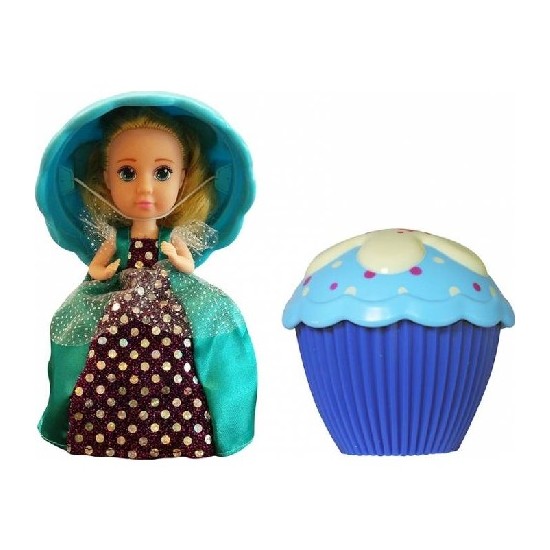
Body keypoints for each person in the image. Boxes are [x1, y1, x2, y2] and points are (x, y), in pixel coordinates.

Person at [37, 94, 257, 459]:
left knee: (189, 347)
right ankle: (102, 430)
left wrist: (178, 260)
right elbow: (97, 267)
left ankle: (182, 430)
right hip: (119, 305)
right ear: (106, 180)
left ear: (183, 179)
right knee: (98, 350)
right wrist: (100, 273)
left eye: (162, 173)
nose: (145, 189)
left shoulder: (174, 236)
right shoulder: (115, 239)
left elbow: (187, 266)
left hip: (170, 303)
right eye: (127, 173)